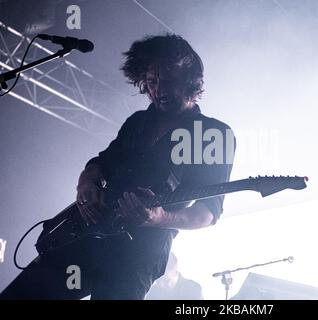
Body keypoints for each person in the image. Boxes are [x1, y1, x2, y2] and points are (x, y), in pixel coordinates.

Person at [0, 34, 234, 300]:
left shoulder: (213, 134)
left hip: (136, 255)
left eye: (168, 80)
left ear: (190, 79)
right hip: (85, 235)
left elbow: (208, 214)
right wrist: (86, 183)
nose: (159, 90)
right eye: (152, 82)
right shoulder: (137, 122)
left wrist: (159, 218)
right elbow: (100, 163)